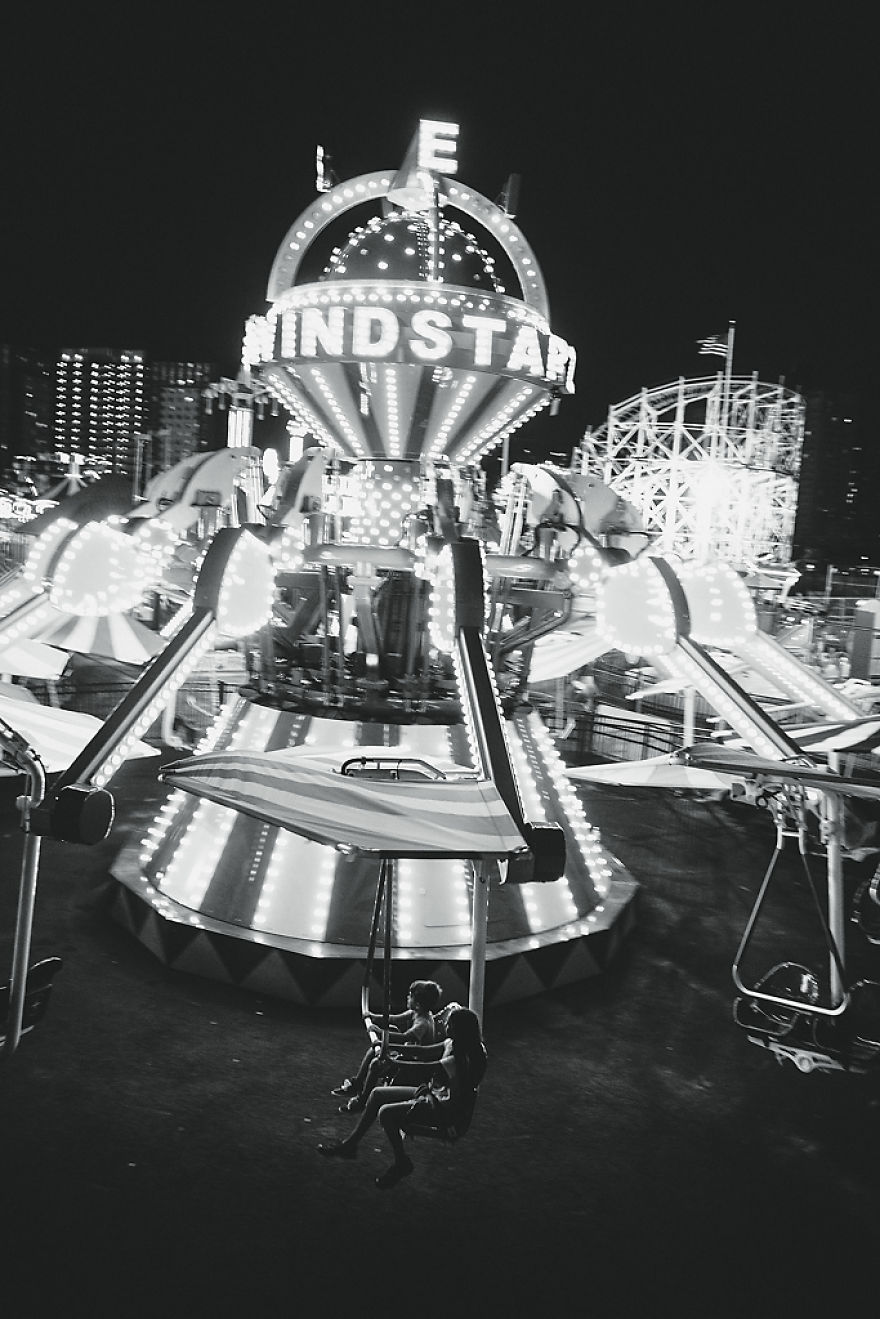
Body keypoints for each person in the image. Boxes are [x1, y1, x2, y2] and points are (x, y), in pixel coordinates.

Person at [318, 1007, 487, 1189]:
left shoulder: (458, 1060)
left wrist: (393, 1061)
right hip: (433, 1095)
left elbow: (423, 1067)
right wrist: (386, 1045)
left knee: (386, 1114)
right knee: (377, 1094)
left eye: (450, 1024)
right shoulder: (451, 1043)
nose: (446, 1024)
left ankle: (401, 1163)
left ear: (459, 1030)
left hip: (444, 1111)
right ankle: (350, 1145)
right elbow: (422, 1051)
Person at [331, 981, 444, 1112]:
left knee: (376, 1064)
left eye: (410, 996)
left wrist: (380, 1033)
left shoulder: (423, 1023)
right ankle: (357, 1083)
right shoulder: (416, 1013)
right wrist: (374, 1017)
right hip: (407, 1054)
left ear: (418, 1004)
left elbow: (405, 1037)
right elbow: (394, 1018)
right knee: (381, 1040)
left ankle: (362, 1100)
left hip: (413, 1064)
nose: (407, 997)